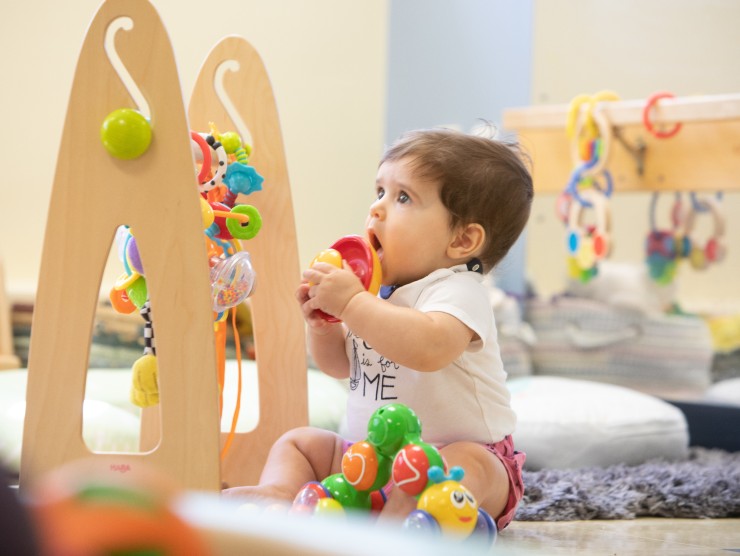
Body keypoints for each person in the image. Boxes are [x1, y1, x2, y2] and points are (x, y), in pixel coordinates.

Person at [224, 127, 533, 531]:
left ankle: (403, 525)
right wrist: (323, 327)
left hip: (454, 462)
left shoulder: (459, 290)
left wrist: (352, 305)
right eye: (380, 191)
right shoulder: (373, 293)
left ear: (462, 240)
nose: (377, 209)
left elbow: (428, 348)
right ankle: (282, 495)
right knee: (298, 442)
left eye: (403, 197)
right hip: (366, 460)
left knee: (469, 464)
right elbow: (340, 367)